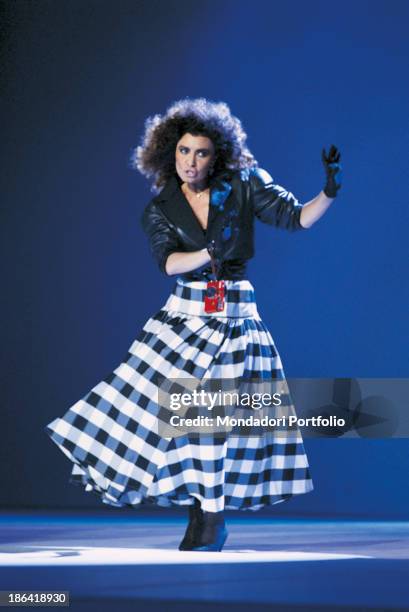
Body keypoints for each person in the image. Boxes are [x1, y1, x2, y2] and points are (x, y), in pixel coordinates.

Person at [44, 98, 342, 553]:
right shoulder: (159, 208)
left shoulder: (243, 184)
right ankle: (204, 512)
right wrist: (209, 254)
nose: (191, 162)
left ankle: (211, 516)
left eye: (201, 153)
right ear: (170, 152)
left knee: (209, 422)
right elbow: (167, 263)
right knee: (160, 420)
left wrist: (329, 192)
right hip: (183, 321)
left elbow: (295, 217)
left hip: (236, 321)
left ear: (217, 154)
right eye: (184, 151)